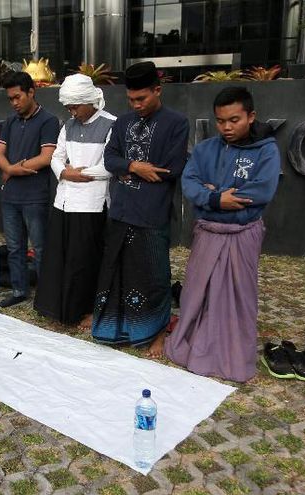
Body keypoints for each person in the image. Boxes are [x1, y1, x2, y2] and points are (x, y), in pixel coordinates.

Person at [163, 87, 281, 382]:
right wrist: (216, 198)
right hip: (208, 232)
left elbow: (260, 191)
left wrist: (215, 192)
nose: (226, 127)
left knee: (238, 296)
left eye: (234, 120)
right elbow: (190, 183)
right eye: (220, 121)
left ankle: (231, 356)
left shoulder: (266, 150)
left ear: (251, 116)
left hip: (242, 233)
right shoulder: (205, 149)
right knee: (197, 292)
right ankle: (194, 346)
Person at [92, 61, 189, 349]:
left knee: (154, 275)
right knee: (117, 271)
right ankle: (118, 328)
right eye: (131, 99)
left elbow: (171, 168)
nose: (136, 105)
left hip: (152, 212)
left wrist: (126, 169)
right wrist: (135, 166)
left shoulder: (176, 123)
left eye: (141, 98)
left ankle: (155, 331)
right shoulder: (123, 122)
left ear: (157, 90)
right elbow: (110, 159)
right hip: (121, 210)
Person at [33, 73, 116, 329]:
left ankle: (80, 310)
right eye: (68, 107)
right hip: (64, 201)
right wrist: (64, 173)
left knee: (83, 260)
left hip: (91, 204)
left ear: (89, 100)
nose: (72, 111)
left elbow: (110, 165)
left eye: (75, 106)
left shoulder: (111, 124)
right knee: (58, 257)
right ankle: (55, 308)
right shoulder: (68, 125)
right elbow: (56, 157)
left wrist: (81, 174)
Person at [0, 71, 60, 308]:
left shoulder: (48, 120)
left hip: (35, 196)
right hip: (10, 196)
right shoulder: (10, 121)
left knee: (40, 248)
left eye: (17, 97)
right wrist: (11, 169)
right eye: (10, 98)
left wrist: (12, 170)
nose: (14, 102)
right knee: (14, 248)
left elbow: (46, 157)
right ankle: (19, 290)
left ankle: (45, 295)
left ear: (31, 92)